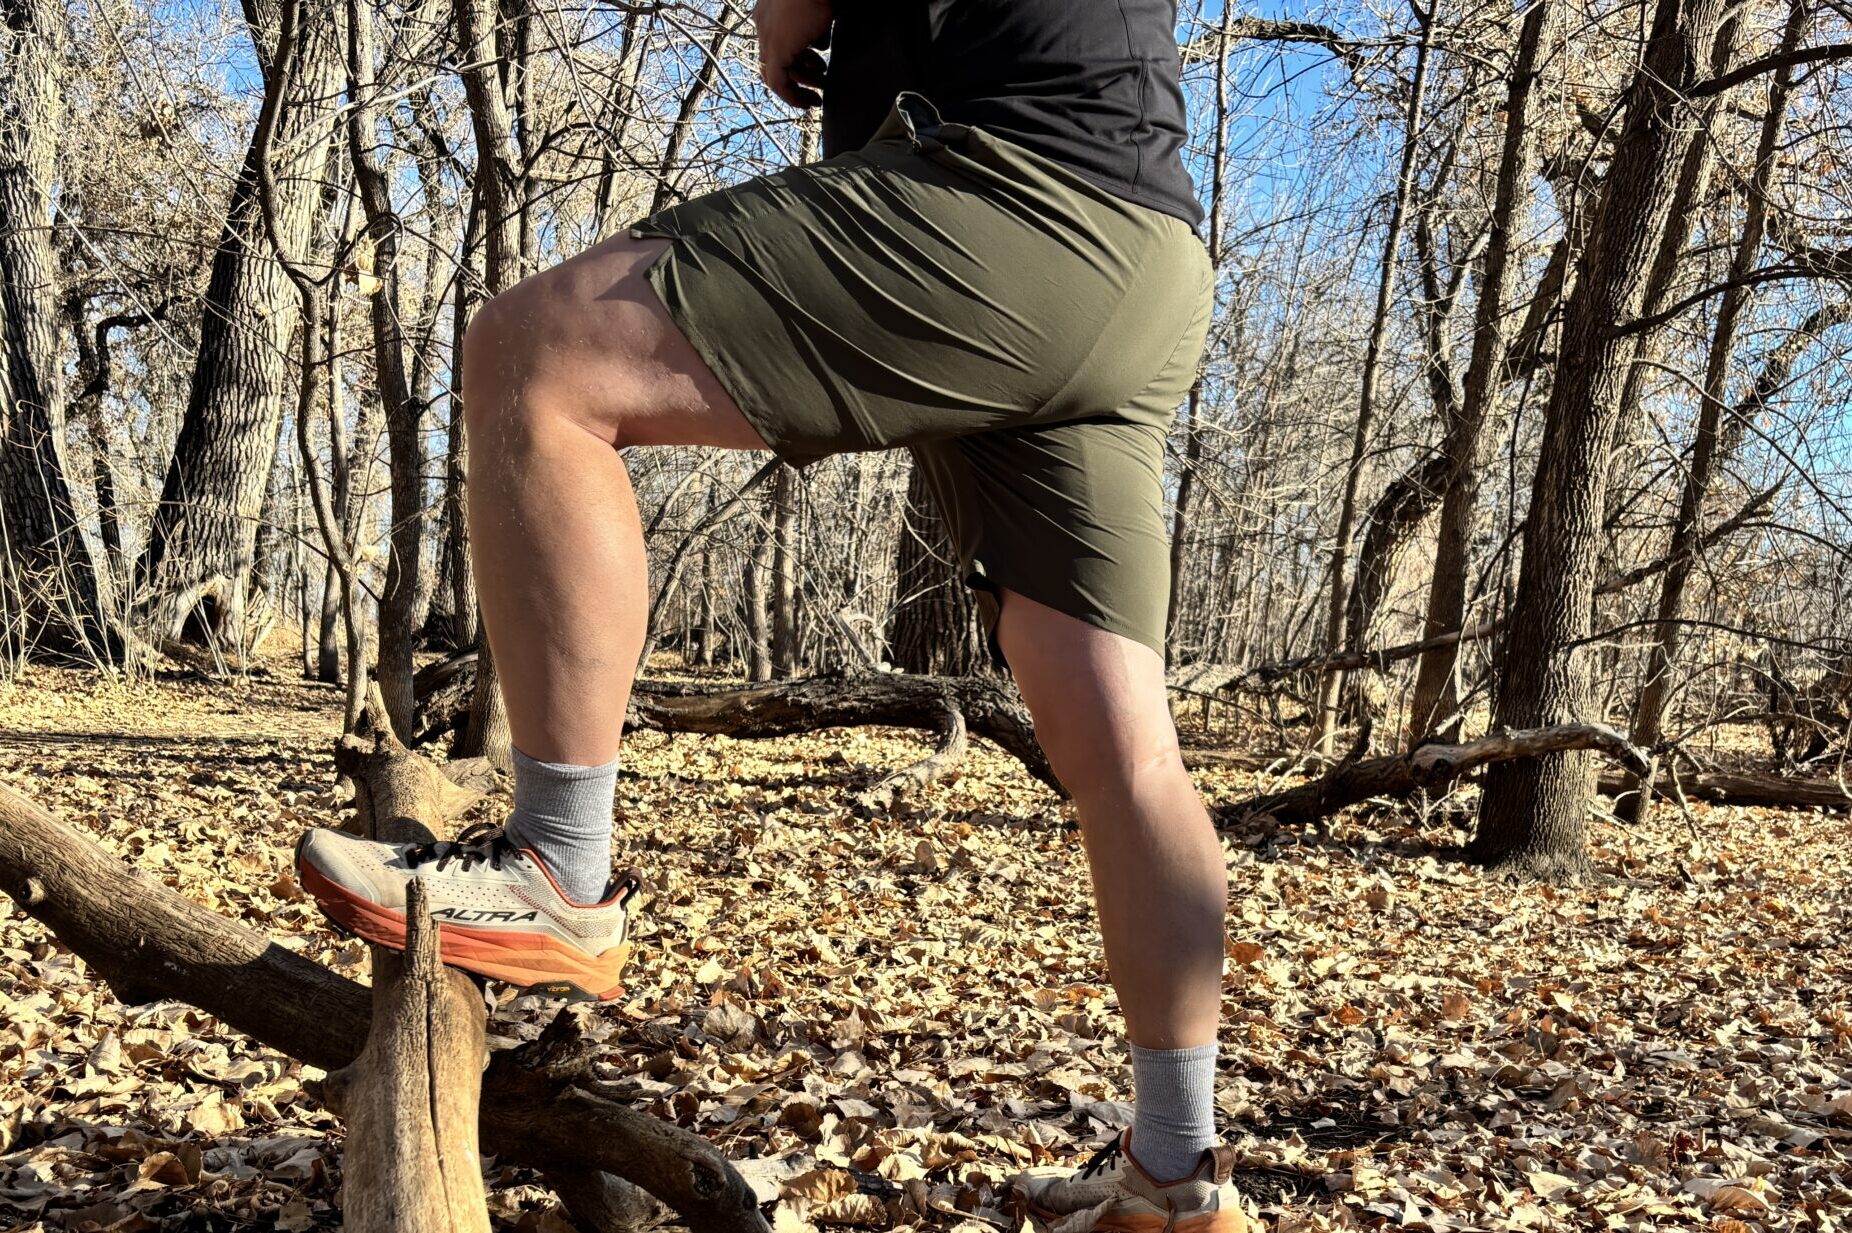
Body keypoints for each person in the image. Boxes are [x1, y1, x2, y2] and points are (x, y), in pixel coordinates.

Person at [295, 1, 1246, 1228]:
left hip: (1010, 195)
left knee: (538, 355)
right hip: (1148, 252)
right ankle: (1178, 1178)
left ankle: (556, 866)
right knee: (1127, 750)